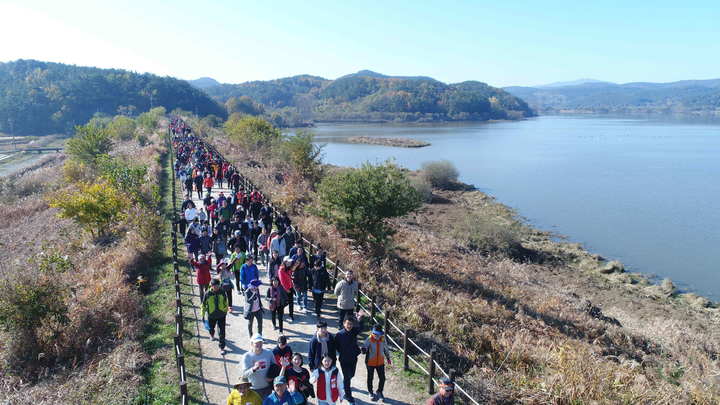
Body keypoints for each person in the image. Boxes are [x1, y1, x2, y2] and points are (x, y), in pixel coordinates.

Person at [335, 311, 367, 404]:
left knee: (351, 375)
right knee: (347, 378)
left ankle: (345, 385)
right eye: (348, 324)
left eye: (351, 324)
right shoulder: (339, 334)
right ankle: (349, 396)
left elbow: (361, 328)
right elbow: (336, 346)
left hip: (353, 358)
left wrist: (360, 320)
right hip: (344, 359)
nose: (349, 326)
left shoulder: (353, 331)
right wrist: (342, 352)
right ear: (344, 324)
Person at [363, 324, 391, 402]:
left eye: (378, 334)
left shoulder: (383, 339)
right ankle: (370, 392)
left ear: (381, 333)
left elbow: (386, 348)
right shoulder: (369, 339)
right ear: (372, 332)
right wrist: (363, 350)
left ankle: (379, 391)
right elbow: (364, 347)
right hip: (370, 362)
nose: (376, 335)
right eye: (375, 333)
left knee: (382, 378)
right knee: (370, 378)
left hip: (380, 362)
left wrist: (388, 358)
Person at [241, 334, 275, 399]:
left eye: (260, 342)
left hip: (267, 388)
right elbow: (244, 375)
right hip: (253, 389)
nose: (259, 345)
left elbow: (275, 368)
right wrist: (253, 369)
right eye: (256, 343)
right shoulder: (246, 356)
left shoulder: (269, 353)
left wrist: (272, 377)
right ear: (251, 344)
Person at [201, 278, 228, 355]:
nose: (216, 287)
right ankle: (212, 334)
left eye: (217, 286)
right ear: (211, 286)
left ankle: (222, 347)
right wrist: (202, 315)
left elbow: (226, 301)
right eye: (214, 286)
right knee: (211, 328)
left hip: (221, 315)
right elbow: (203, 304)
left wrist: (225, 310)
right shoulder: (207, 294)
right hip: (211, 315)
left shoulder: (222, 292)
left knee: (222, 331)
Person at [292, 247, 309, 312]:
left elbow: (307, 267)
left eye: (301, 251)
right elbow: (292, 267)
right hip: (296, 280)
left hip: (304, 281)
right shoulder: (294, 257)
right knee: (298, 295)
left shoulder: (304, 258)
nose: (300, 252)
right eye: (299, 250)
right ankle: (299, 305)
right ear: (297, 251)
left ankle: (305, 307)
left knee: (305, 295)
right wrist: (296, 265)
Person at [278, 257, 295, 321]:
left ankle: (291, 315)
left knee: (291, 302)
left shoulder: (289, 268)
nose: (290, 263)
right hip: (284, 289)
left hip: (290, 287)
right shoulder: (281, 270)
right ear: (285, 262)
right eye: (289, 262)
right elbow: (282, 281)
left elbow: (290, 276)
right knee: (284, 303)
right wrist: (286, 289)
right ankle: (279, 312)